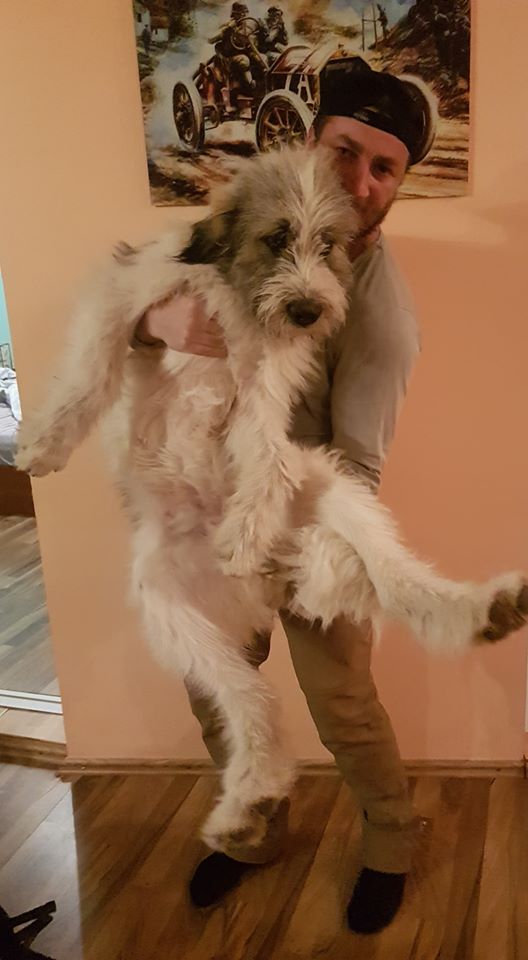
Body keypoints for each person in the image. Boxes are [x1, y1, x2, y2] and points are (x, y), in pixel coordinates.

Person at [133, 69, 429, 935]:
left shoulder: (381, 314)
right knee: (218, 689)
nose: (359, 182)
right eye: (346, 151)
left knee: (344, 708)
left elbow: (359, 464)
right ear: (309, 141)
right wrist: (155, 323)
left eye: (384, 168)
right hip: (210, 516)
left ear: (398, 185)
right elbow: (127, 300)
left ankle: (390, 845)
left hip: (304, 531)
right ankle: (256, 832)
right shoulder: (247, 227)